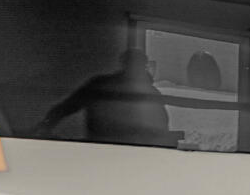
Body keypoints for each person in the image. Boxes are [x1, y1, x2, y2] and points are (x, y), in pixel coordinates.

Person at [35, 49, 182, 147]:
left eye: (138, 63)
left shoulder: (149, 92)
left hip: (130, 155)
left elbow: (160, 127)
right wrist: (44, 126)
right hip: (104, 152)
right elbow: (67, 107)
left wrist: (45, 125)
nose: (135, 67)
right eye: (133, 63)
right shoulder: (102, 85)